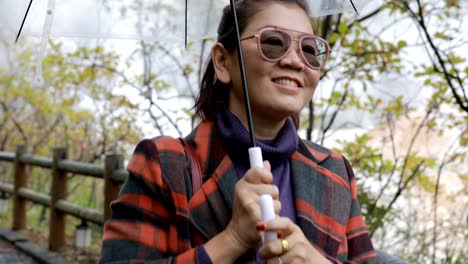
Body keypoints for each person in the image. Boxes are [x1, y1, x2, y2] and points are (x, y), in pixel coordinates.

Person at [100, 0, 380, 263]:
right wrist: (231, 240)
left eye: (310, 49)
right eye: (273, 42)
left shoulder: (334, 171)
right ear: (223, 61)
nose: (295, 61)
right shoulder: (165, 165)